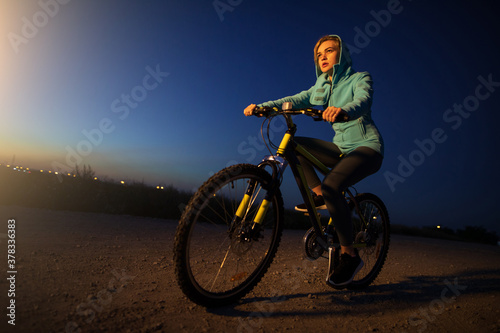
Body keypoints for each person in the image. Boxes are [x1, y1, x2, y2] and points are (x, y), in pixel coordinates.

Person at [243, 35, 384, 287]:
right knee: (294, 147)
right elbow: (294, 100)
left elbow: (363, 100)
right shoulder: (320, 87)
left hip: (366, 147)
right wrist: (263, 107)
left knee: (333, 185)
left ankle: (350, 255)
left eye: (329, 51)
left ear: (342, 55)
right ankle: (319, 194)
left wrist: (345, 110)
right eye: (319, 54)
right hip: (341, 148)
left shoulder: (359, 78)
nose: (323, 57)